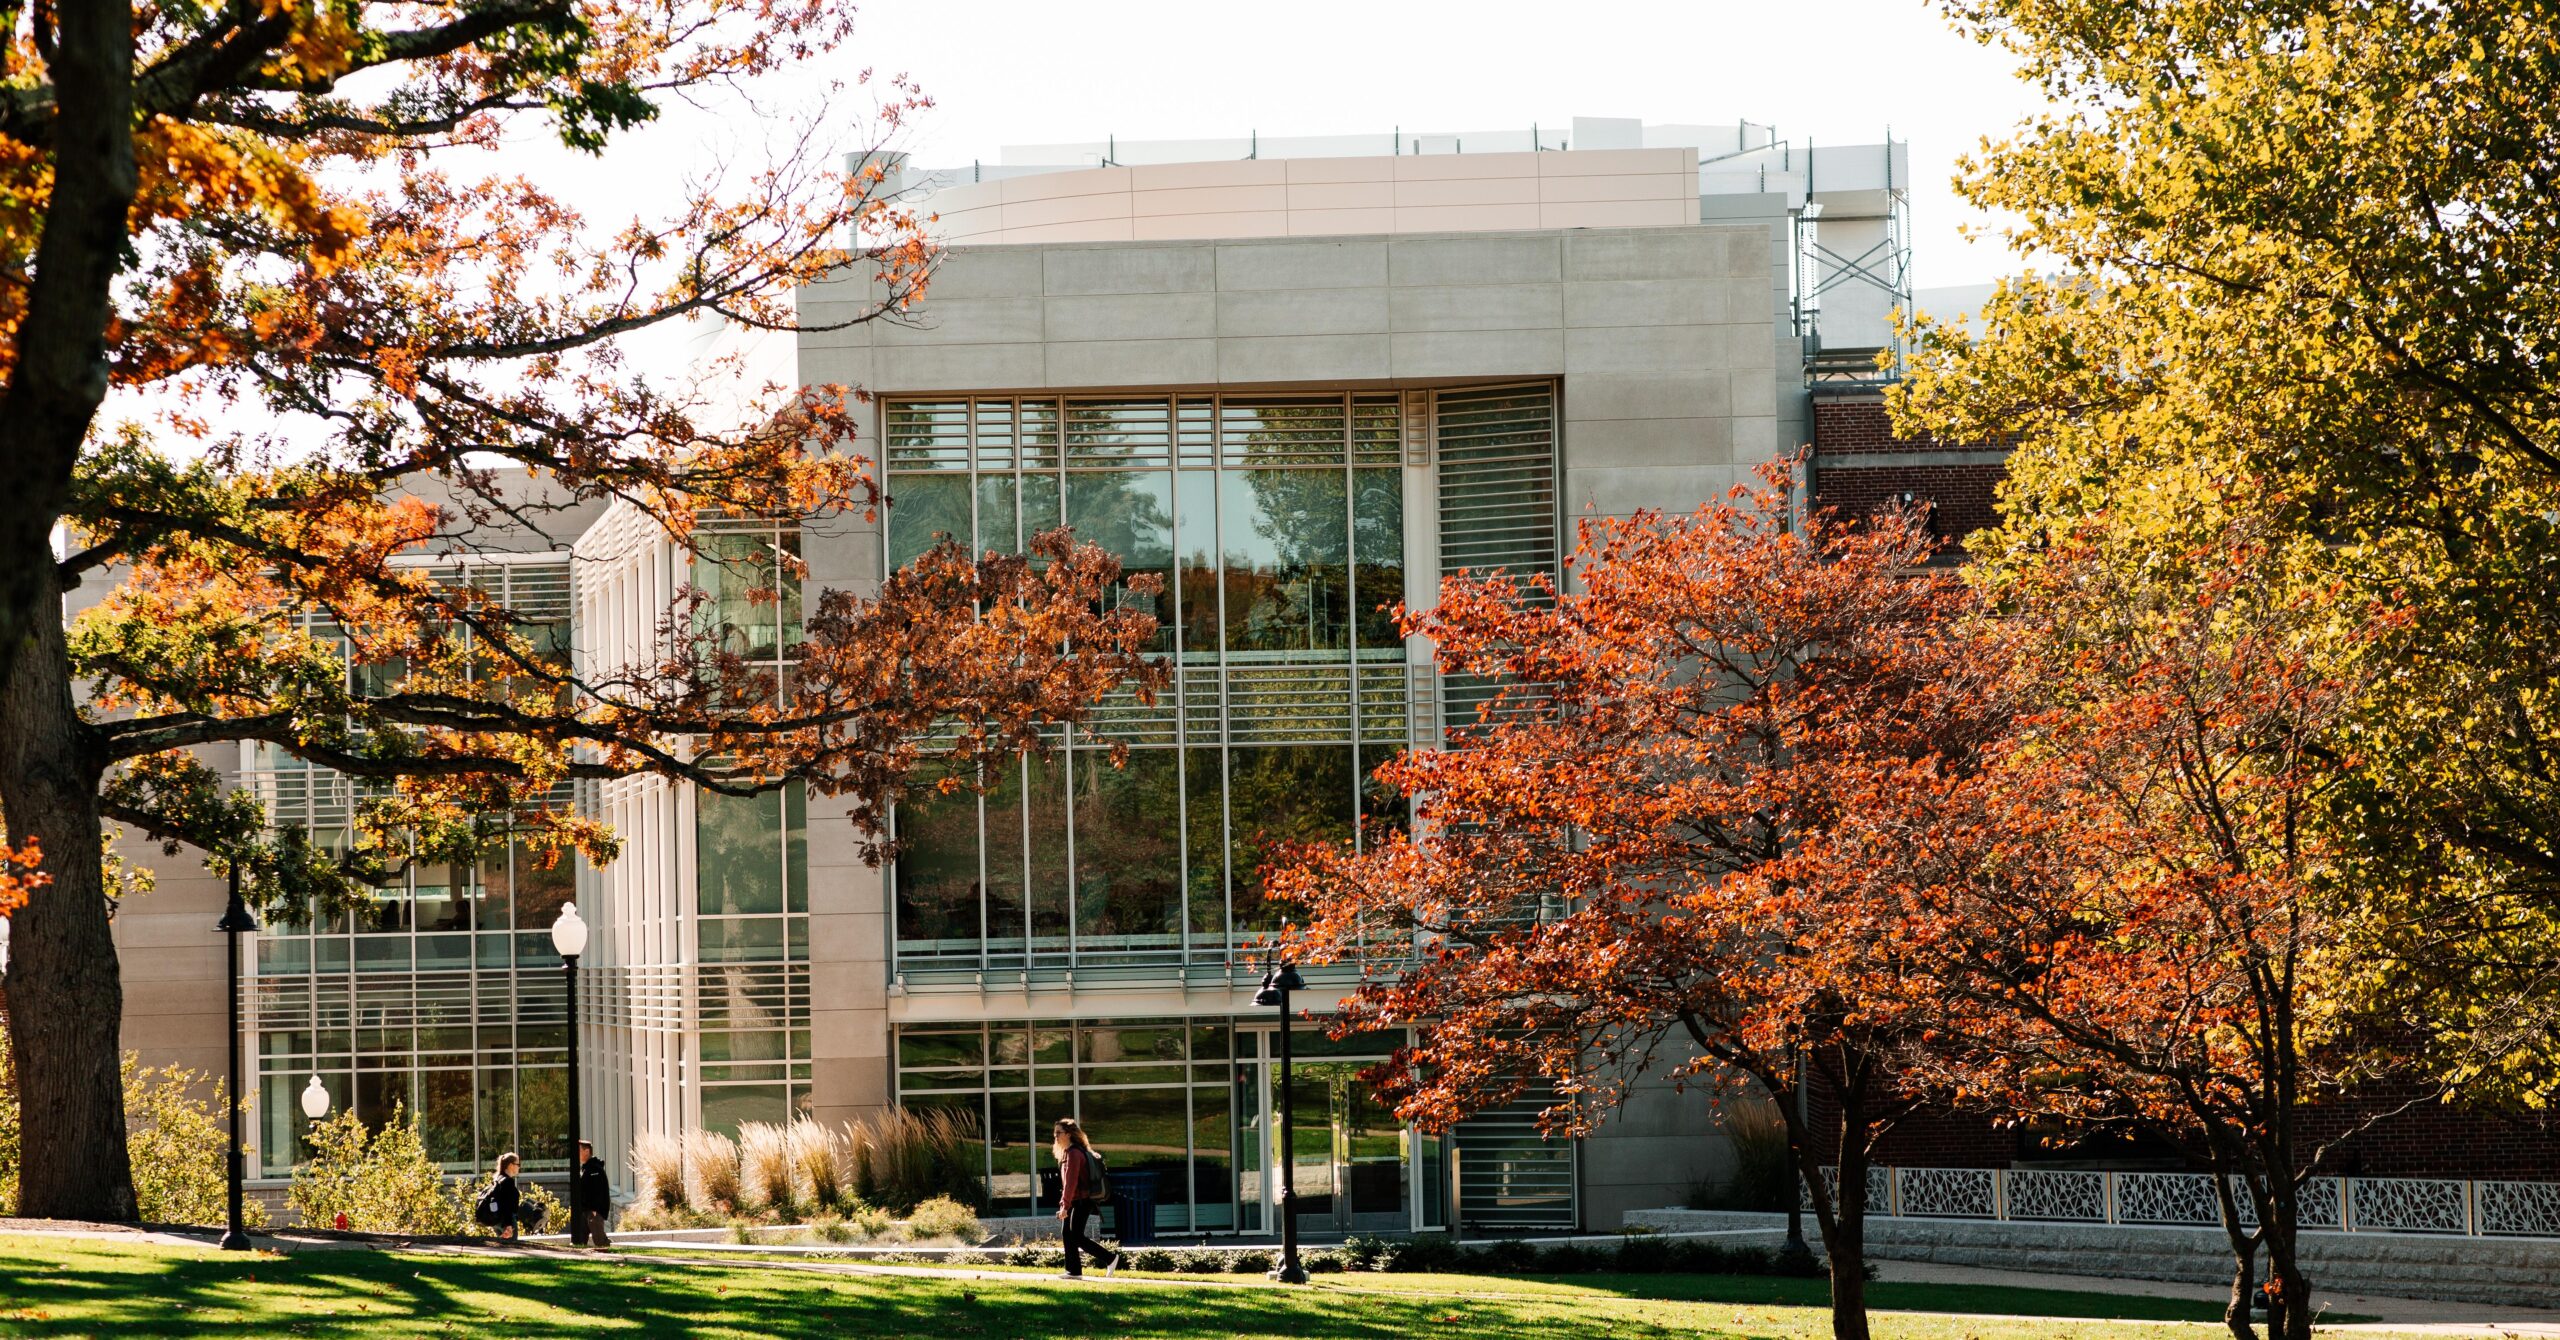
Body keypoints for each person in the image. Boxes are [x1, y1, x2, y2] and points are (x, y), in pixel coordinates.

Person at [1052, 1117, 1117, 1279]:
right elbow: (1068, 1183)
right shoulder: (1070, 1152)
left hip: (1082, 1200)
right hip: (1076, 1199)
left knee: (1076, 1235)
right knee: (1067, 1232)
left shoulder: (1074, 1154)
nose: (1056, 1136)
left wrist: (1064, 1206)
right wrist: (1065, 1204)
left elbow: (1071, 1183)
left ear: (1068, 1134)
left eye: (1058, 1133)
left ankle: (1110, 1258)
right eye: (1055, 1134)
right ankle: (1073, 1271)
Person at [572, 1138, 613, 1249]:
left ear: (586, 1151)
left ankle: (611, 1255)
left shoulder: (595, 1169)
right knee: (579, 1240)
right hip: (584, 1211)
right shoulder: (585, 1169)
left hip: (593, 1212)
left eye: (578, 1150)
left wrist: (595, 1210)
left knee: (599, 1241)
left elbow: (598, 1191)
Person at [474, 1153, 523, 1242]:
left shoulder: (498, 1179)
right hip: (506, 1220)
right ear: (511, 1165)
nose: (519, 1167)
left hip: (497, 1220)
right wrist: (508, 1225)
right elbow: (507, 1205)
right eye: (518, 1164)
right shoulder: (507, 1182)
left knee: (502, 1248)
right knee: (511, 1246)